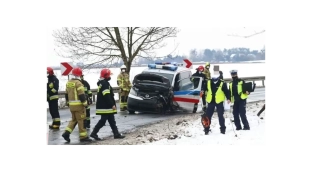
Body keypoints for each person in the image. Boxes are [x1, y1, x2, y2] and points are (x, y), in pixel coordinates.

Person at [90, 68, 125, 140]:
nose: (110, 76)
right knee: (103, 120)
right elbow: (107, 96)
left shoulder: (102, 83)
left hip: (105, 106)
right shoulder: (105, 84)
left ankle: (116, 134)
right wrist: (112, 104)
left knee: (112, 120)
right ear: (106, 76)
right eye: (109, 75)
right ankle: (94, 133)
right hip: (105, 106)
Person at [62, 67, 92, 142]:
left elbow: (66, 94)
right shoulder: (79, 83)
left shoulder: (69, 82)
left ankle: (66, 133)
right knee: (82, 120)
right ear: (80, 75)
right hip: (79, 106)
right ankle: (83, 137)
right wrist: (85, 104)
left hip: (72, 106)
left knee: (74, 119)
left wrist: (68, 102)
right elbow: (81, 95)